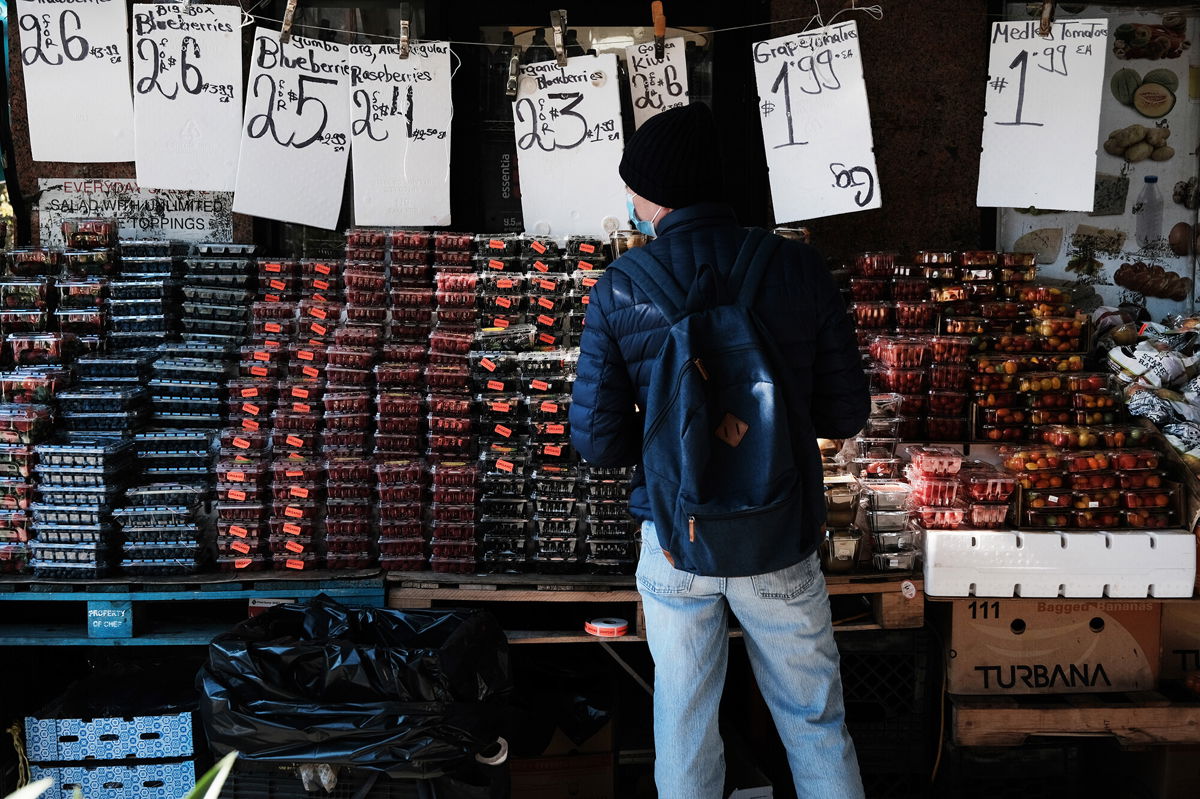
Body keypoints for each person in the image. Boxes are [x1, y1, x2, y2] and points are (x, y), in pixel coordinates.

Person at [569, 102, 869, 799]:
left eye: (634, 185)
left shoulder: (621, 289)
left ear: (654, 196)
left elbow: (599, 441)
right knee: (814, 718)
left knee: (682, 719)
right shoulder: (799, 269)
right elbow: (846, 411)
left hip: (677, 537)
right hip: (779, 533)